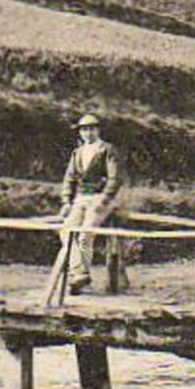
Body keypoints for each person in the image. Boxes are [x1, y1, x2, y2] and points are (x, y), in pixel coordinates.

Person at [57, 113, 123, 294]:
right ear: (80, 132)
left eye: (91, 129)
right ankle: (80, 273)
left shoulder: (107, 149)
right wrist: (66, 201)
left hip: (100, 197)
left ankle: (79, 276)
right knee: (66, 231)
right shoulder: (77, 153)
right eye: (84, 130)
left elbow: (115, 178)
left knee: (86, 235)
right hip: (81, 198)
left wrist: (105, 198)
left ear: (98, 130)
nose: (88, 133)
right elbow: (69, 178)